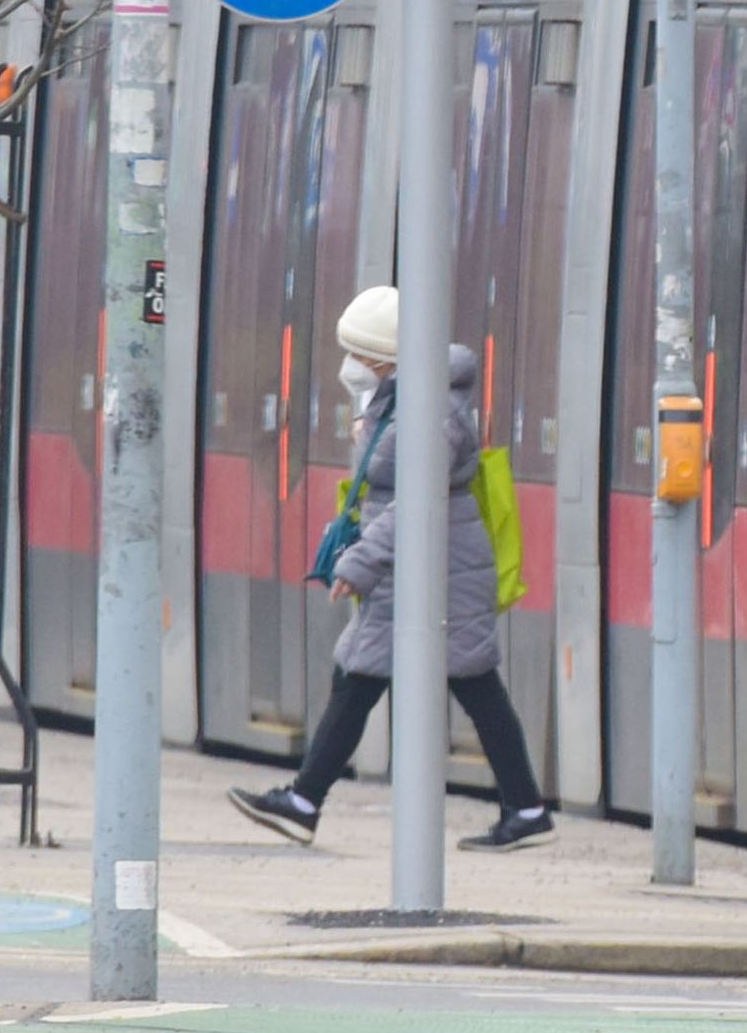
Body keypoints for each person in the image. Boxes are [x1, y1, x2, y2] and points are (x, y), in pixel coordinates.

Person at [230, 286, 556, 852]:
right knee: (386, 679)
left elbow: (416, 502)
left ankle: (306, 802)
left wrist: (359, 563)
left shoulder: (431, 411)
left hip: (435, 570)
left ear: (385, 357)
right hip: (422, 568)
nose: (349, 366)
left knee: (396, 680)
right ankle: (523, 809)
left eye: (358, 354)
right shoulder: (406, 401)